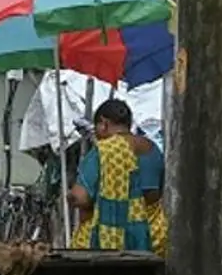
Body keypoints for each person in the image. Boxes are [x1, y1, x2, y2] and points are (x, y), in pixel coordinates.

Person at [68, 99, 167, 255]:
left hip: (108, 241)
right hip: (152, 239)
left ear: (104, 124)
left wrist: (70, 195)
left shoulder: (104, 151)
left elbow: (82, 198)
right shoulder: (153, 149)